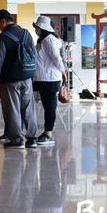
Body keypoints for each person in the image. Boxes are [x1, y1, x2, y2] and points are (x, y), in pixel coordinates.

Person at [0, 9, 39, 149]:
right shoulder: (26, 33)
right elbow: (34, 54)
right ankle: (32, 139)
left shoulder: (3, 37)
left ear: (3, 21)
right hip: (27, 78)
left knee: (12, 110)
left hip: (10, 79)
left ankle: (17, 141)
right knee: (28, 108)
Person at [33, 15, 67, 146]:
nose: (36, 29)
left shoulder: (49, 40)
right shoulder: (45, 39)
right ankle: (47, 133)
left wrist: (63, 71)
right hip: (45, 78)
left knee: (50, 106)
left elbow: (56, 58)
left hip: (50, 78)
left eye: (37, 27)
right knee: (47, 106)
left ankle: (48, 134)